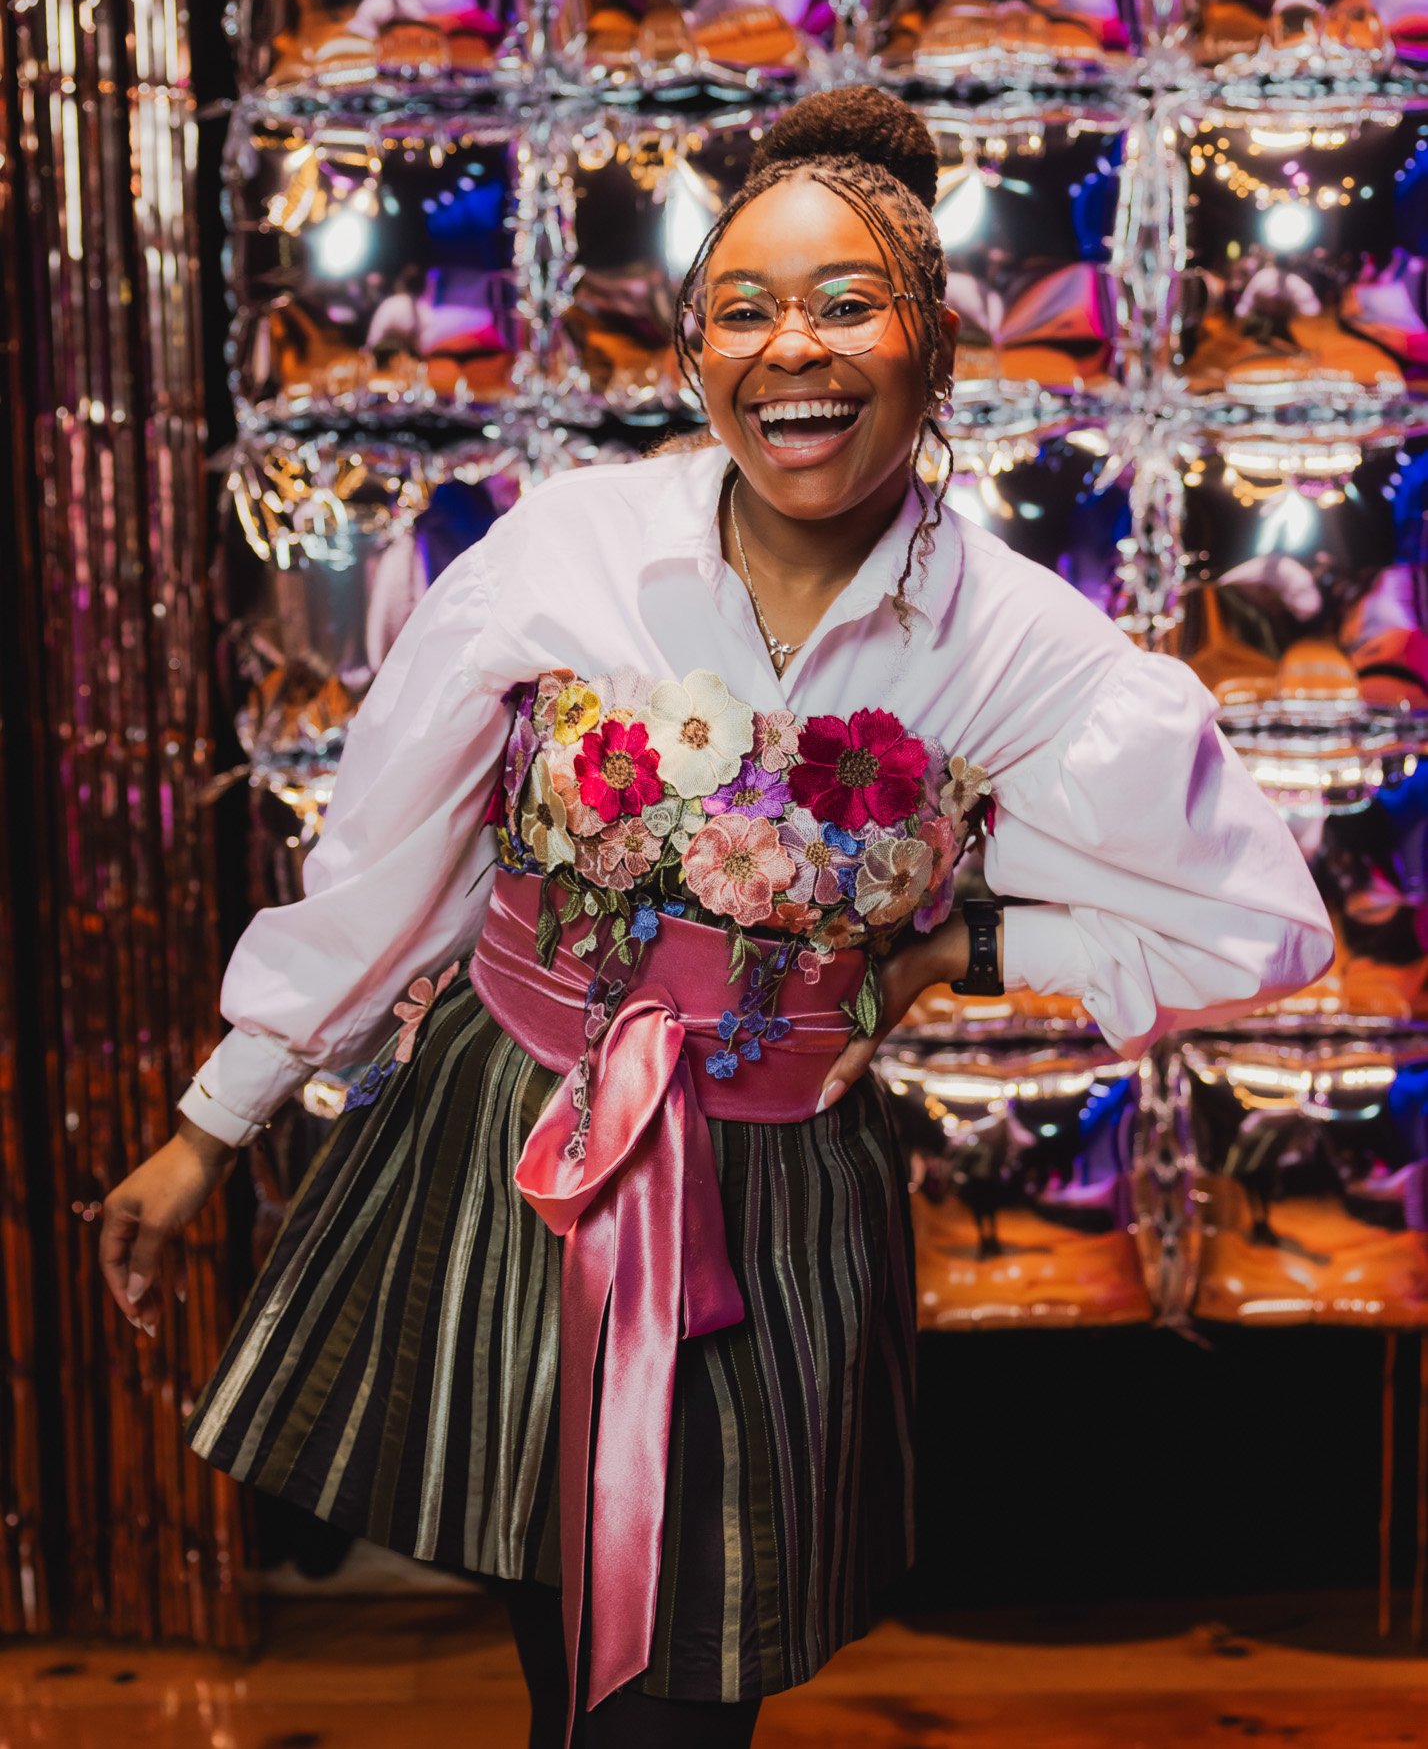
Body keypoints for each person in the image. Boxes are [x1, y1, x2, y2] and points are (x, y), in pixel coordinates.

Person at [100, 89, 1333, 1749]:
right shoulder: (574, 551)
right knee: (565, 1662)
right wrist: (212, 1124)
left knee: (683, 1701)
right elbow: (400, 855)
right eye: (741, 310)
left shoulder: (1025, 647)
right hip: (505, 1148)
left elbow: (1254, 926)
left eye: (845, 304)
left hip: (765, 1197)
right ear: (694, 355)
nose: (790, 350)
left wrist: (954, 953)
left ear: (935, 351)